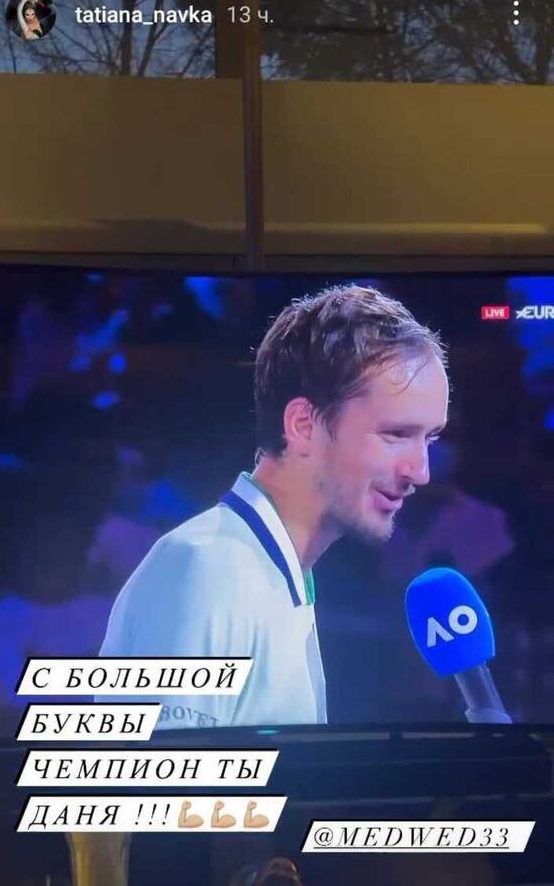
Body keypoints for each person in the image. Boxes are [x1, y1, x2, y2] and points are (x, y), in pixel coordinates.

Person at [99, 285, 449, 728]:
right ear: (303, 425)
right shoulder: (209, 569)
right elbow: (164, 774)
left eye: (429, 439)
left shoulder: (270, 571)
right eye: (396, 434)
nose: (421, 471)